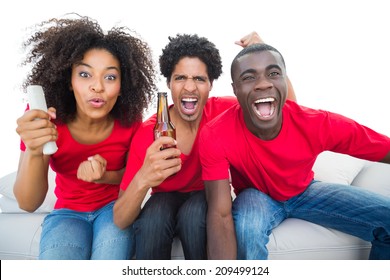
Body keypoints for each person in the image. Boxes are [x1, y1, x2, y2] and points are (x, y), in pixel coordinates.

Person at [199, 43, 390, 260]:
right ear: (235, 89)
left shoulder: (314, 123)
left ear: (284, 80)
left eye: (273, 73)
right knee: (246, 228)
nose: (263, 84)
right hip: (256, 196)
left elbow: (378, 146)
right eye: (249, 77)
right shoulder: (215, 133)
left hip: (305, 192)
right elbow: (221, 215)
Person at [113, 32, 295, 260]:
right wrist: (143, 179)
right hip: (164, 200)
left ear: (210, 85)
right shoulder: (149, 132)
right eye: (180, 78)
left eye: (199, 79)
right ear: (169, 83)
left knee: (194, 215)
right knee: (152, 219)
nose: (189, 87)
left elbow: (287, 109)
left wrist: (263, 50)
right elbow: (120, 218)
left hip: (207, 195)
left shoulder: (224, 112)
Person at [13, 15, 156, 260]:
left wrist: (104, 176)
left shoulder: (131, 120)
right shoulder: (45, 118)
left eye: (110, 77)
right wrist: (34, 150)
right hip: (67, 212)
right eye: (84, 74)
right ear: (68, 81)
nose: (97, 86)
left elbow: (131, 176)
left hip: (114, 208)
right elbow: (28, 203)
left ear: (123, 85)